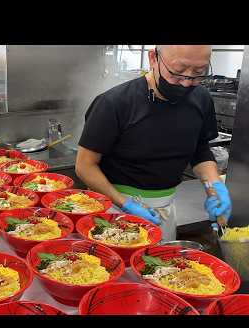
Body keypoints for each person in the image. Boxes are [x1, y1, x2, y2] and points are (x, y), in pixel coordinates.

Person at [75, 45, 231, 243]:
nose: (185, 82)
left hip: (165, 210)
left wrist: (213, 185)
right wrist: (125, 203)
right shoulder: (114, 103)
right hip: (113, 209)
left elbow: (200, 150)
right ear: (153, 58)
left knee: (158, 268)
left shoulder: (201, 99)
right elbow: (84, 166)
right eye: (178, 72)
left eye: (198, 73)